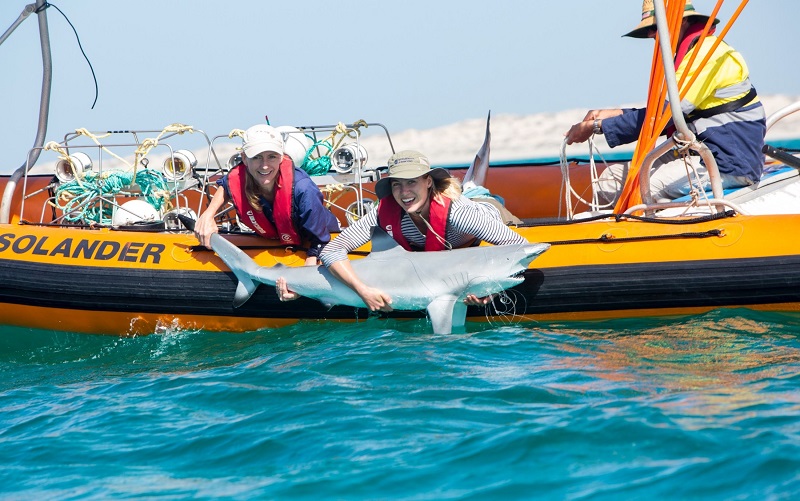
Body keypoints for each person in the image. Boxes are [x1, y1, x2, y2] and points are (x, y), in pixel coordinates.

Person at [564, 0, 766, 204]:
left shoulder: (706, 54)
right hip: (703, 153)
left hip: (727, 162)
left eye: (654, 27)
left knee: (625, 188)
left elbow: (666, 115)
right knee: (608, 181)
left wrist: (597, 127)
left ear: (682, 21)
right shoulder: (692, 53)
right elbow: (666, 113)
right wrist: (614, 114)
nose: (651, 35)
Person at [275, 149, 527, 308]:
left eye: (411, 183)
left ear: (428, 182)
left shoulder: (460, 215)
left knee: (478, 194)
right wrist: (363, 291)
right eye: (397, 185)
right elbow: (332, 251)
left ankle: (473, 188)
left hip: (486, 209)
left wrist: (491, 289)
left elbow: (518, 248)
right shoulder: (384, 211)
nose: (404, 193)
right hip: (437, 242)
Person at [194, 124, 339, 266]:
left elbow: (321, 240)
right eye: (257, 157)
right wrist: (208, 215)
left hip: (319, 237)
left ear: (282, 157)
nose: (264, 165)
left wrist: (312, 260)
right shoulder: (240, 177)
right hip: (274, 238)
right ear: (244, 158)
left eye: (272, 157)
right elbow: (226, 185)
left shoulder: (303, 188)